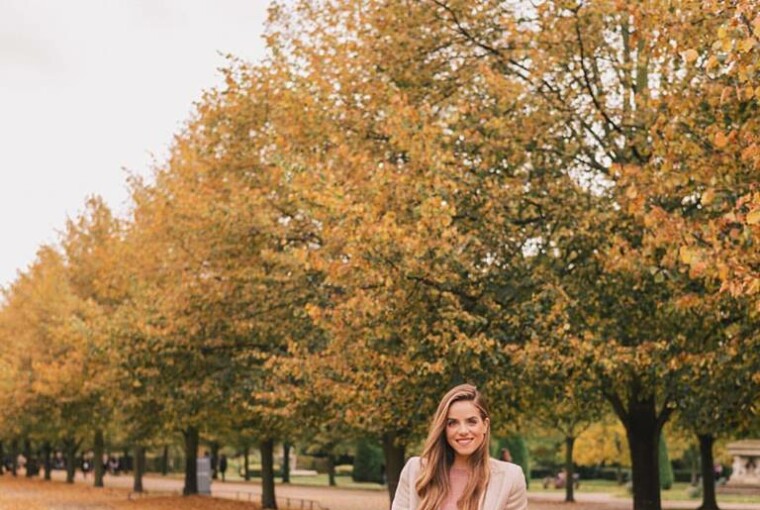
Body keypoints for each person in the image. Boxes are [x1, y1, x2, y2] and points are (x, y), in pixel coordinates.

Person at [392, 384, 527, 510]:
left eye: (471, 422)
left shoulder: (510, 479)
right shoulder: (416, 471)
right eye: (452, 423)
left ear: (485, 425)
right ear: (444, 428)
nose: (463, 431)